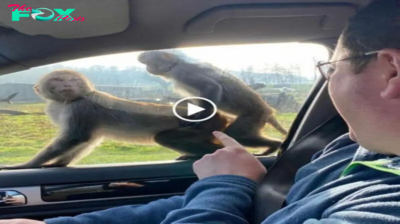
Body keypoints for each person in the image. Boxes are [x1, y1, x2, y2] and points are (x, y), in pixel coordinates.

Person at [3, 0, 400, 223]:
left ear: (390, 72)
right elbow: (265, 202)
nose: (329, 82)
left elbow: (76, 139)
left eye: (331, 68)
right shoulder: (352, 148)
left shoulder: (383, 209)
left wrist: (225, 184)